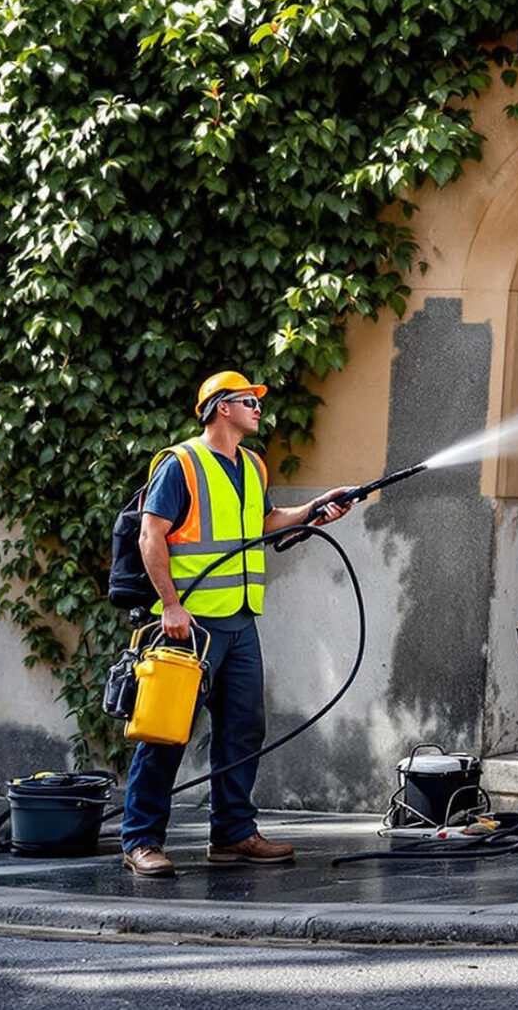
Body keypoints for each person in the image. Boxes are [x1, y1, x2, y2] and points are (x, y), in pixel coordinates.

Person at [119, 371, 358, 879]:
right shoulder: (181, 463)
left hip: (240, 620)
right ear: (222, 407)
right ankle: (140, 840)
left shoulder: (251, 465)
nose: (257, 408)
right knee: (167, 731)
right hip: (190, 623)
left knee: (244, 728)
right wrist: (170, 605)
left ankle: (231, 833)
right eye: (249, 400)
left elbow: (265, 523)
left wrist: (315, 510)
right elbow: (149, 536)